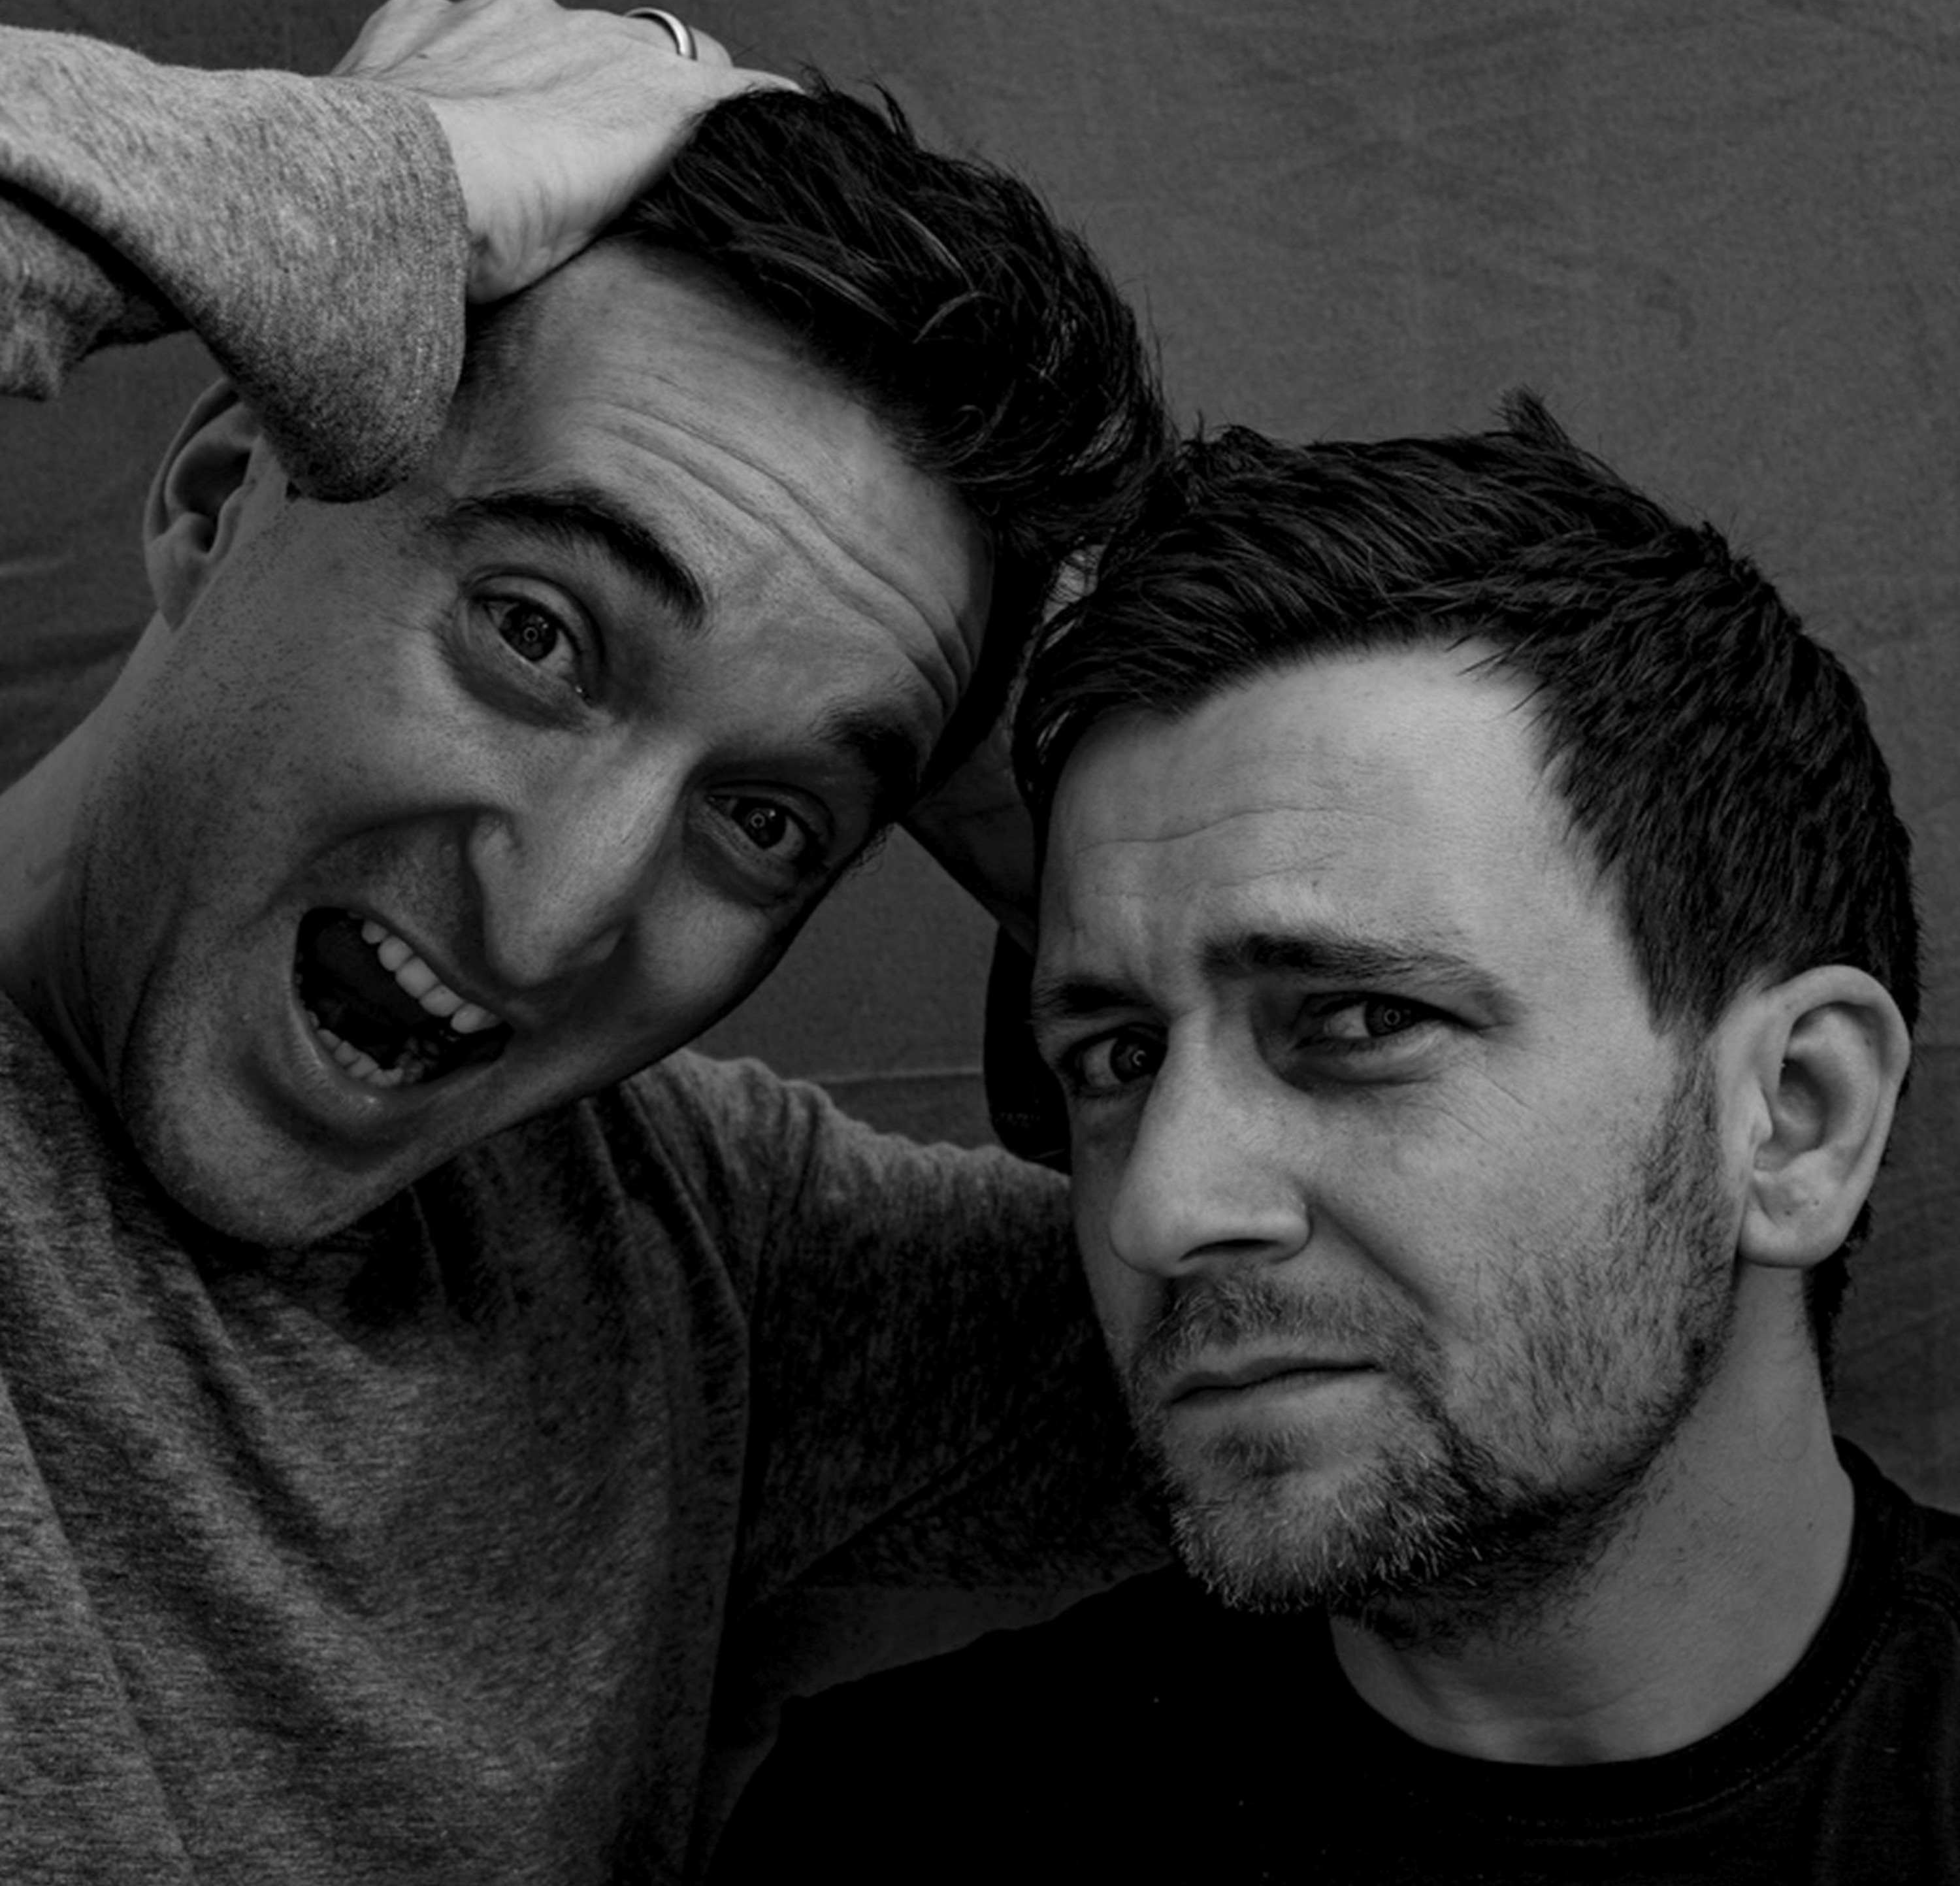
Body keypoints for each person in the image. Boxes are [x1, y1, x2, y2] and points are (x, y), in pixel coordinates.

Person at [0, 0, 1169, 1883]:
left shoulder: (680, 1260)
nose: (552, 922)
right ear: (216, 503)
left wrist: (1129, 808)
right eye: (537, 636)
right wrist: (350, 185)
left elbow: (1464, 1306)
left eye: (766, 820)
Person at [715, 397, 1960, 1883]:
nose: (1160, 1207)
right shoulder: (887, 1834)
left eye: (1362, 1022)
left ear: (1798, 1118)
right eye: (1117, 1057)